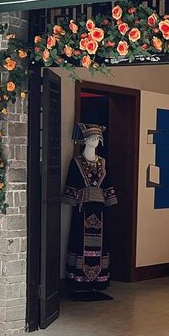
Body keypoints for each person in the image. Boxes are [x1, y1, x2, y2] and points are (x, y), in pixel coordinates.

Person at [62, 123, 117, 300]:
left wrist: (110, 202)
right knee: (80, 241)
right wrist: (72, 200)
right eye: (91, 138)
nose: (94, 141)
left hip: (99, 209)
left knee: (101, 243)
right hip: (83, 209)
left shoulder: (103, 162)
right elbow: (71, 184)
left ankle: (98, 280)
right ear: (84, 140)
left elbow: (108, 184)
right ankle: (79, 279)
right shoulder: (77, 162)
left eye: (97, 138)